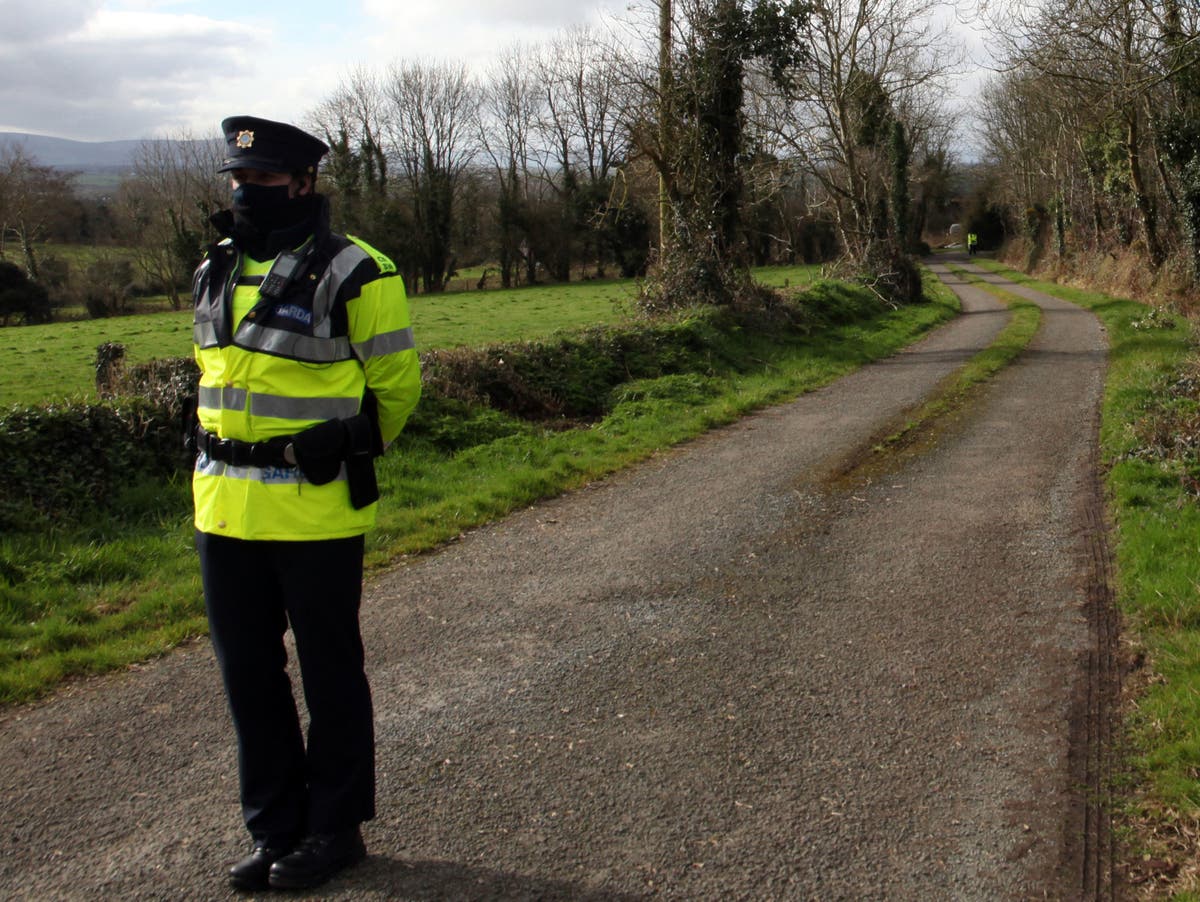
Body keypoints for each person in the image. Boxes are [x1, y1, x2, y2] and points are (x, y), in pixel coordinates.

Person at [189, 115, 421, 892]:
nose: (245, 190)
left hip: (314, 509)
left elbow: (396, 388)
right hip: (222, 512)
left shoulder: (358, 270)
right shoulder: (212, 268)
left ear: (302, 183)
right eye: (237, 178)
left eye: (261, 179)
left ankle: (334, 828)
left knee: (330, 674)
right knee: (247, 679)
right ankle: (275, 828)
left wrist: (346, 444)